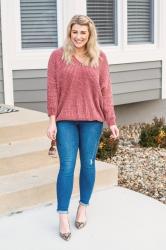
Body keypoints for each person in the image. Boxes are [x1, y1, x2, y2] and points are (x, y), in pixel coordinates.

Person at [46, 15, 119, 241]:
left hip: (93, 120)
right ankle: (62, 215)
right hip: (65, 119)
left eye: (83, 33)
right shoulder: (57, 57)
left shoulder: (100, 58)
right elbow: (52, 89)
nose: (78, 36)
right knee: (67, 166)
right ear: (70, 32)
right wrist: (51, 120)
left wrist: (112, 121)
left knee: (88, 164)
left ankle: (83, 206)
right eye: (75, 32)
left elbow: (105, 92)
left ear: (90, 35)